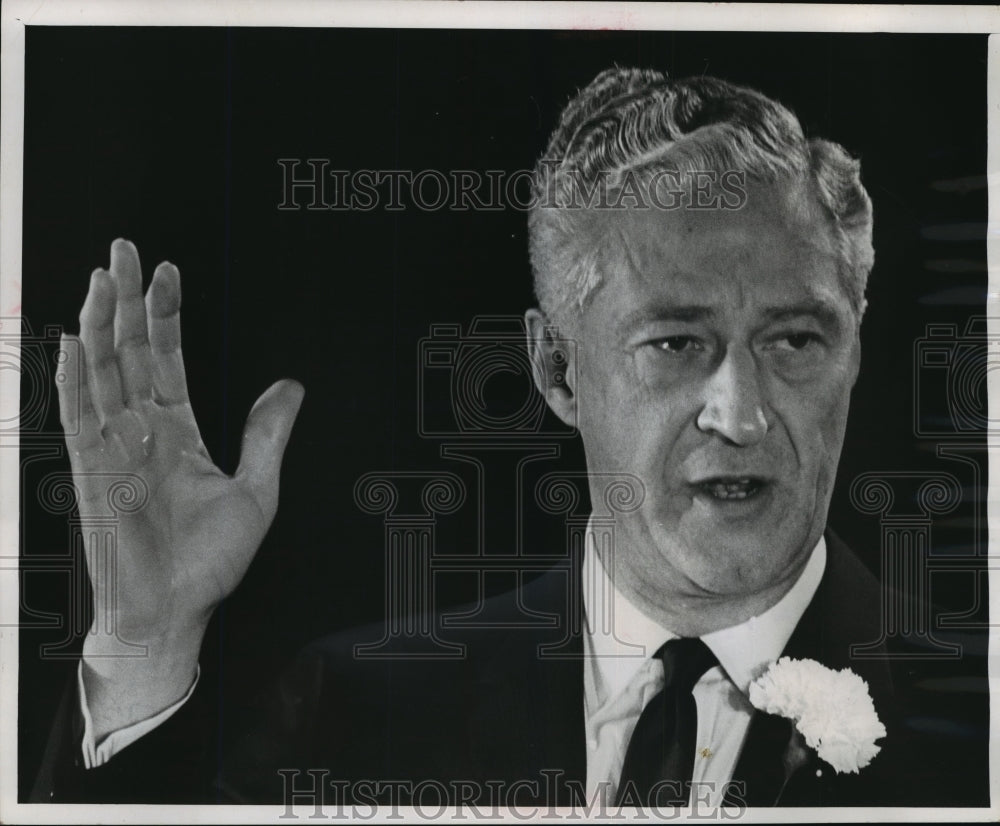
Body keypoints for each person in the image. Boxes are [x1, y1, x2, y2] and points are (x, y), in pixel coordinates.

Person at [31, 67, 988, 810]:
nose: (739, 414)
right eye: (675, 342)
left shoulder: (977, 719)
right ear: (557, 369)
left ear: (854, 350)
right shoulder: (353, 711)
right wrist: (142, 649)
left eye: (794, 340)